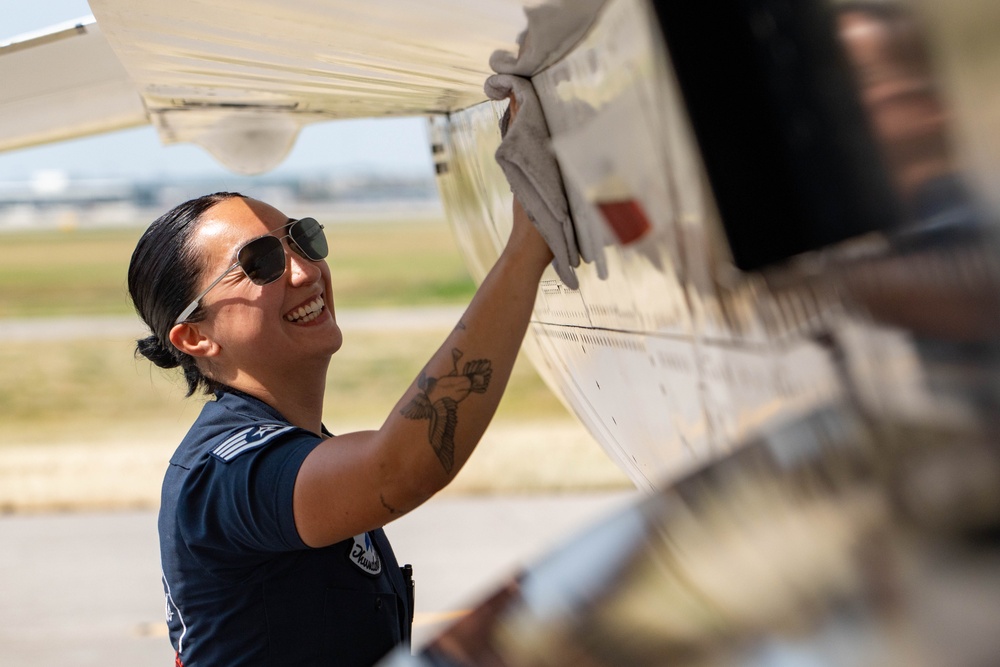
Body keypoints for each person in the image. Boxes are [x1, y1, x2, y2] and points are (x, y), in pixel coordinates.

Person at [127, 110, 553, 666]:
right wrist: (526, 250)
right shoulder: (228, 473)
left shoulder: (291, 449)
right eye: (260, 264)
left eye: (301, 240)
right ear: (194, 337)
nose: (305, 271)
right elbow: (398, 469)